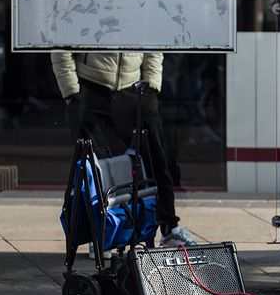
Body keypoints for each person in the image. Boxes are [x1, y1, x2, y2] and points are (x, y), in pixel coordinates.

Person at [50, 52, 198, 250]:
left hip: (135, 87)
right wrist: (71, 91)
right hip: (90, 86)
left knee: (156, 160)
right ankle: (101, 234)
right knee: (94, 170)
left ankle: (169, 227)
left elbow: (152, 44)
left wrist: (152, 86)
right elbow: (61, 44)